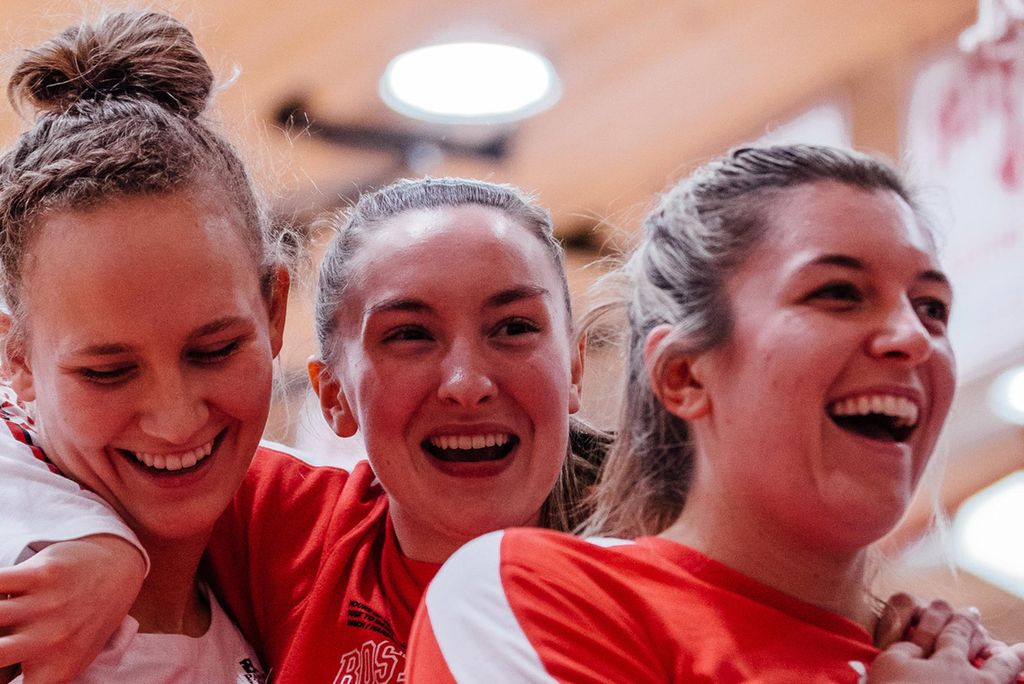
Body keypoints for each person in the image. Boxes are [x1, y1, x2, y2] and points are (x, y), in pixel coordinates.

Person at [0, 51, 598, 682]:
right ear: (332, 393)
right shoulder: (287, 529)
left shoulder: (649, 582)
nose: (175, 420)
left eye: (514, 327)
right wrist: (100, 547)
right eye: (409, 336)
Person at [405, 144, 1024, 682]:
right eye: (838, 293)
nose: (913, 337)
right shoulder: (534, 595)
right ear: (685, 374)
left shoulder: (969, 668)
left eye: (933, 308)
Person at [0, 10, 290, 683]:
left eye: (213, 350)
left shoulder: (260, 604)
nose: (176, 417)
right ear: (17, 360)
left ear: (274, 309)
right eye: (108, 371)